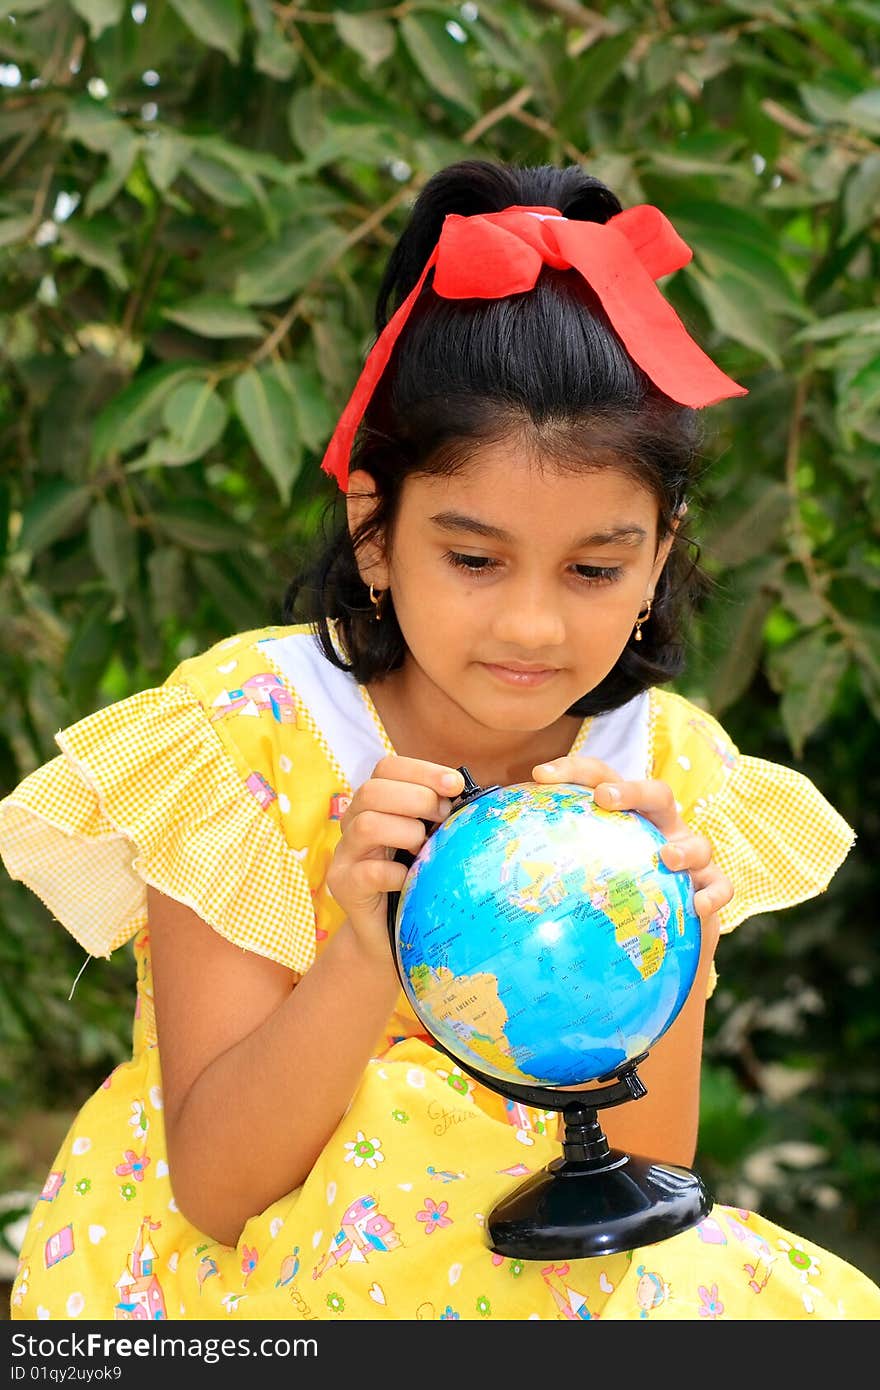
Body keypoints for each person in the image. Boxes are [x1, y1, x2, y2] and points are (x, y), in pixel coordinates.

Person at [2, 159, 878, 1323]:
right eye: (472, 558)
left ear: (658, 556)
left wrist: (674, 942)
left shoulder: (664, 772)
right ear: (375, 530)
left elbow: (647, 1185)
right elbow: (218, 1187)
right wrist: (364, 951)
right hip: (256, 1290)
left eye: (594, 569)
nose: (529, 623)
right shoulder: (248, 735)